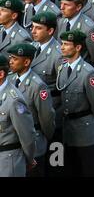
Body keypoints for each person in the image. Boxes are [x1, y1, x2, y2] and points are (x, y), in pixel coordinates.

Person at [57, 29, 94, 177]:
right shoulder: (63, 68)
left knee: (89, 169)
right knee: (71, 169)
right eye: (62, 44)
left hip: (86, 130)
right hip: (69, 129)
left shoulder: (88, 73)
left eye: (66, 44)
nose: (62, 47)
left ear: (78, 47)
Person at [7, 43, 55, 177]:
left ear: (27, 62)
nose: (10, 61)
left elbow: (46, 117)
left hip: (34, 142)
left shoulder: (38, 86)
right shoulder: (10, 79)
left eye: (15, 59)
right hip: (15, 144)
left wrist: (46, 137)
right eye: (10, 57)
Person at [30, 11, 64, 176]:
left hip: (53, 112)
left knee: (55, 160)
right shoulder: (33, 47)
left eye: (38, 28)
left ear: (50, 31)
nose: (33, 31)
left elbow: (66, 89)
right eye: (32, 27)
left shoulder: (58, 54)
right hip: (35, 112)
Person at [0, 54, 36, 177]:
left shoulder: (13, 100)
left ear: (1, 74)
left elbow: (27, 134)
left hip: (8, 161)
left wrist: (29, 158)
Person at [56, 0, 94, 65]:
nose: (61, 8)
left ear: (78, 7)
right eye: (61, 4)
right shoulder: (61, 22)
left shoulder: (88, 29)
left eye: (66, 5)